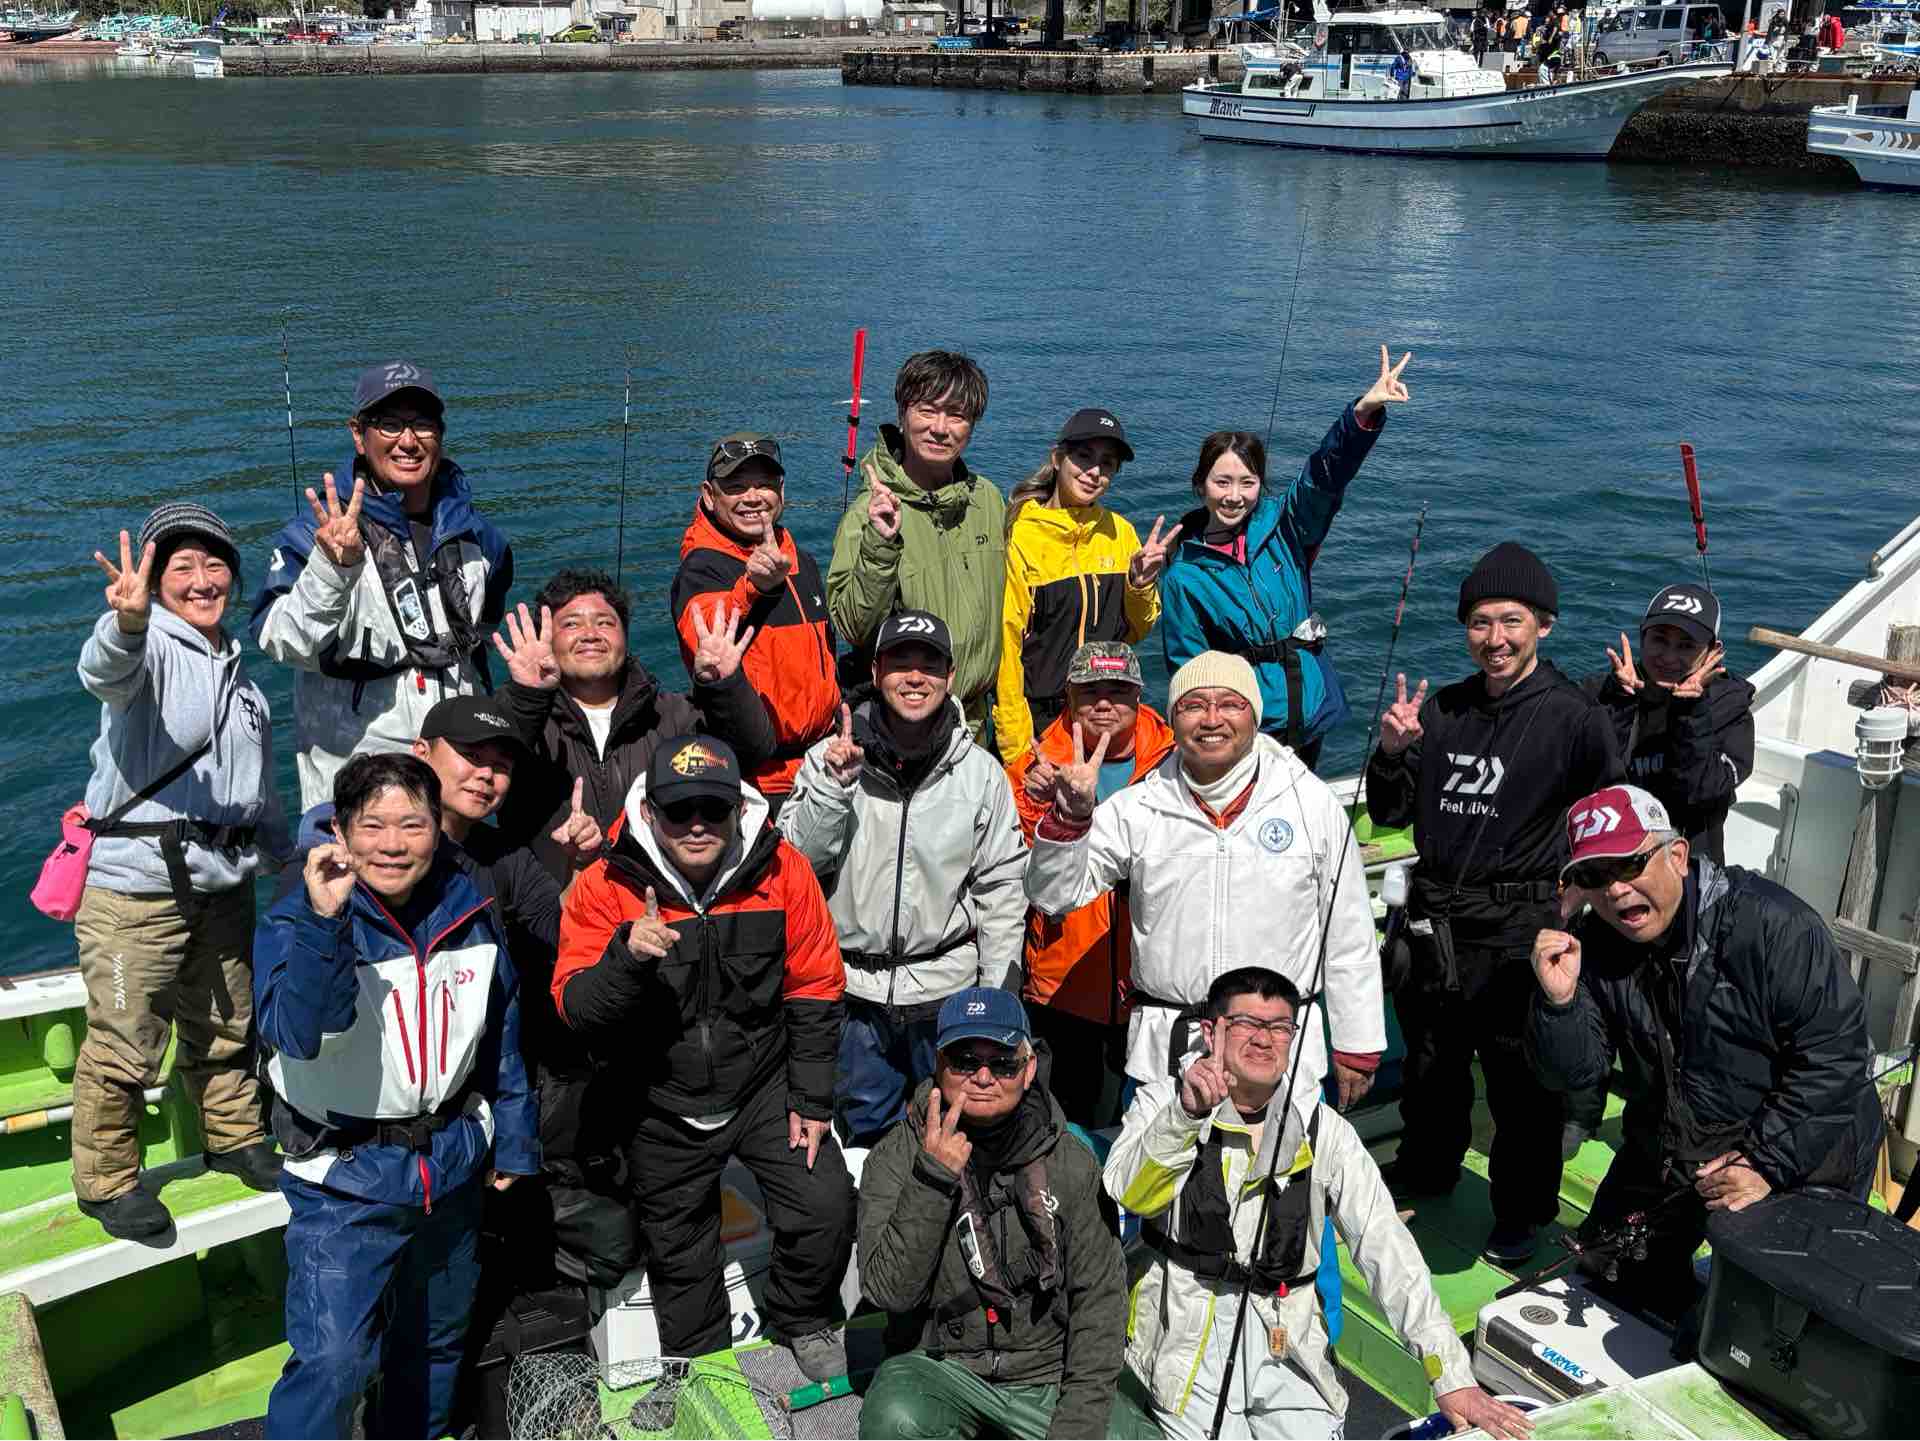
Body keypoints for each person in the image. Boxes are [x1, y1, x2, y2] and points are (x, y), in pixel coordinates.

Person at [1105, 967, 1535, 1441]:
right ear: (1211, 1032)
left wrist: (1449, 1374)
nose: (1264, 1040)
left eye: (1279, 1027)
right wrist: (1186, 1116)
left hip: (1287, 1337)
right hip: (1183, 1337)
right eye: (1246, 1023)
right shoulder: (1162, 1103)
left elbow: (1386, 1247)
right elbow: (1129, 1193)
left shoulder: (1325, 1130)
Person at [254, 752, 539, 1439]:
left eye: (412, 824)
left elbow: (500, 1026)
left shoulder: (470, 909)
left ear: (438, 828)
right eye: (372, 825)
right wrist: (326, 921)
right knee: (334, 1362)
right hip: (344, 1179)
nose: (392, 843)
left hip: (451, 1165)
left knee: (436, 1344)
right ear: (341, 832)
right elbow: (298, 1033)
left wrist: (514, 1137)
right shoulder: (296, 920)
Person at [551, 735, 853, 1378]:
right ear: (650, 811)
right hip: (658, 1099)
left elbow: (816, 985)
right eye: (678, 809)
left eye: (713, 809)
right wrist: (626, 958)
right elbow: (576, 1008)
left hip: (763, 1085)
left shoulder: (785, 871)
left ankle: (802, 1316)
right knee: (680, 1250)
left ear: (739, 811)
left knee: (825, 1202)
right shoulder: (604, 886)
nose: (696, 825)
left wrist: (810, 1098)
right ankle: (701, 1366)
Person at [1527, 785, 1884, 1325]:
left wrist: (1763, 1163)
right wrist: (1560, 1003)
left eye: (1630, 864)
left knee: (1774, 1326)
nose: (1616, 889)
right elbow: (1576, 1073)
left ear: (1677, 855)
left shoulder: (1775, 926)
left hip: (1803, 1140)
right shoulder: (1590, 943)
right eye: (1595, 876)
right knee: (1607, 1276)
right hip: (1677, 1138)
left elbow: (1837, 1059)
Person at [1363, 542, 1621, 1266]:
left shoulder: (1577, 717)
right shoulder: (1443, 709)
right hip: (1434, 926)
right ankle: (1426, 1167)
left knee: (1522, 1088)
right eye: (1480, 622)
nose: (1495, 639)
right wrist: (1392, 751)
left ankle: (1522, 1212)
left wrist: (1576, 900)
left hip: (1520, 930)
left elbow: (1609, 820)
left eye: (1511, 621)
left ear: (1544, 623)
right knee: (1431, 1068)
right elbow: (1388, 812)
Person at [1027, 651, 1383, 1112]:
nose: (1212, 719)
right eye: (1193, 705)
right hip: (1166, 1056)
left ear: (1255, 716)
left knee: (1279, 1161)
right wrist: (1070, 820)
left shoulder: (1311, 802)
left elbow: (1349, 930)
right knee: (1159, 1160)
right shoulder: (1139, 805)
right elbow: (1053, 895)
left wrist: (1357, 1043)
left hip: (1279, 1053)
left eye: (1230, 704)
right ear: (1173, 720)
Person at [71, 505, 287, 1240]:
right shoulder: (150, 648)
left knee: (227, 1023)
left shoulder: (243, 682)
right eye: (182, 567)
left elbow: (259, 792)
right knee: (125, 1041)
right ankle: (106, 1181)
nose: (202, 581)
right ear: (155, 581)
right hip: (136, 889)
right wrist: (127, 623)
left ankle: (234, 1136)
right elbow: (104, 671)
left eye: (215, 564)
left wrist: (289, 858)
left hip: (224, 882)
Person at [855, 988, 1154, 1441]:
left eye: (1003, 1063)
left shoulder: (1072, 1161)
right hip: (940, 1366)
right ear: (938, 1063)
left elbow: (1100, 1303)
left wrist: (1075, 1428)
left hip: (1047, 1369)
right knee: (893, 1420)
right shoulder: (896, 1155)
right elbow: (888, 1292)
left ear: (1029, 1068)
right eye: (964, 1061)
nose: (983, 1077)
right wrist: (932, 1179)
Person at [779, 611, 1029, 1149]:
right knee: (867, 1144)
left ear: (950, 676)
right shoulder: (827, 758)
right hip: (853, 996)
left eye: (929, 665)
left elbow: (1003, 893)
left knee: (955, 1139)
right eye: (900, 663)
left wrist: (995, 996)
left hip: (948, 996)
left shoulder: (981, 772)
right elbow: (795, 866)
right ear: (876, 670)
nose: (915, 677)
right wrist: (832, 790)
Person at [252, 363, 513, 810]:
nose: (408, 441)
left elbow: (480, 639)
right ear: (359, 434)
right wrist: (333, 570)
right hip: (359, 800)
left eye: (422, 424)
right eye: (390, 424)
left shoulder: (481, 539)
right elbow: (282, 641)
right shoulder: (315, 533)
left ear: (440, 433)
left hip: (453, 794)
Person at [1157, 347, 1411, 772]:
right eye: (1222, 482)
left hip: (1310, 711)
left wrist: (1362, 413)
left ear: (1261, 484)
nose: (1234, 496)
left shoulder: (1286, 525)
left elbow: (1324, 475)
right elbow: (1189, 670)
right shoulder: (1183, 574)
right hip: (1248, 729)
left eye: (1247, 482)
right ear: (1200, 485)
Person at [491, 567, 771, 882]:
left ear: (625, 636)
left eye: (605, 623)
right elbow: (488, 766)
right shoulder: (523, 719)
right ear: (546, 638)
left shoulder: (673, 715)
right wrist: (528, 696)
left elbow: (752, 753)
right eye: (571, 624)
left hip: (656, 898)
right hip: (551, 902)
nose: (590, 634)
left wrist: (724, 687)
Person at [1006, 640, 1175, 1129]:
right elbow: (1019, 873)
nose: (1104, 703)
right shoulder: (1032, 768)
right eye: (1090, 691)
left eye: (1118, 691)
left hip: (1154, 985)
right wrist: (1040, 805)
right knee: (1070, 1126)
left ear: (1139, 695)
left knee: (1156, 1121)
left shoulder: (1174, 763)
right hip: (1066, 985)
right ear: (1069, 696)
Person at [827, 350, 1006, 739]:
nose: (940, 428)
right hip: (905, 727)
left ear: (972, 425)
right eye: (927, 411)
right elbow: (852, 627)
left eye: (956, 415)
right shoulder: (867, 514)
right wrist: (879, 545)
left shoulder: (988, 500)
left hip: (979, 725)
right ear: (902, 414)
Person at [993, 408, 1174, 764]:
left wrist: (1140, 584)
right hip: (1044, 722)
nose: (1094, 472)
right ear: (1057, 458)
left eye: (1107, 463)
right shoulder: (1021, 535)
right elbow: (1007, 647)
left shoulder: (1120, 533)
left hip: (1107, 716)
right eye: (1084, 456)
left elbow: (1136, 631)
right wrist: (1017, 748)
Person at [671, 433, 840, 812]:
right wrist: (754, 588)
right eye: (735, 486)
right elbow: (705, 636)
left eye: (764, 484)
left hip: (823, 763)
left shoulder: (801, 559)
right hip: (757, 781)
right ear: (709, 495)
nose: (752, 497)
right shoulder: (701, 567)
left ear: (782, 491)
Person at [1585, 583, 1753, 865]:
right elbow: (1593, 778)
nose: (1669, 657)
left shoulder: (1729, 707)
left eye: (1686, 646)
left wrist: (1691, 711)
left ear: (1713, 650)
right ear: (1642, 636)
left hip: (1689, 864)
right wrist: (1619, 701)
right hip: (1610, 856)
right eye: (1659, 640)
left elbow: (1701, 791)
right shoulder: (1600, 693)